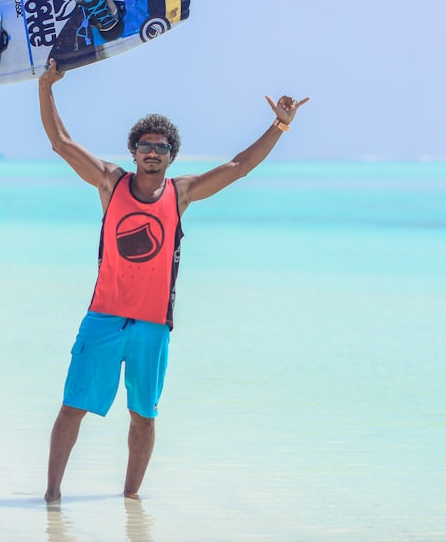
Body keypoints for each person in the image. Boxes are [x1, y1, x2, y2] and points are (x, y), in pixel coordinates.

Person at [38, 59, 309, 503]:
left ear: (170, 155)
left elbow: (239, 166)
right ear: (133, 151)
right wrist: (46, 87)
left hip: (151, 326)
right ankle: (51, 498)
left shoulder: (180, 194)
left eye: (160, 147)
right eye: (145, 144)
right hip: (103, 318)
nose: (152, 151)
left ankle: (130, 505)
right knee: (72, 408)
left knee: (143, 416)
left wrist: (279, 126)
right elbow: (60, 142)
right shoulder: (110, 184)